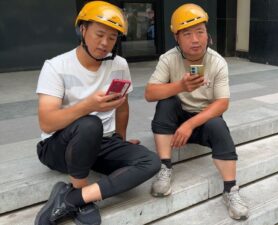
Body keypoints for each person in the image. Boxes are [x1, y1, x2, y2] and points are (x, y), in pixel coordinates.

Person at [34, 1, 160, 225]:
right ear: (82, 30)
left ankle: (74, 198)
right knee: (90, 123)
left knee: (150, 161)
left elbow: (122, 107)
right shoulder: (56, 66)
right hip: (58, 147)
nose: (105, 43)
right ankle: (81, 192)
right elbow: (46, 122)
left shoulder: (119, 64)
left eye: (112, 38)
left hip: (102, 143)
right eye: (99, 34)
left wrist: (120, 139)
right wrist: (88, 105)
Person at [144, 3, 249, 221]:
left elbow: (222, 103)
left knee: (218, 124)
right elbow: (150, 93)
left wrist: (190, 124)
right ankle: (165, 167)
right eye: (188, 34)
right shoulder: (168, 58)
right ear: (176, 37)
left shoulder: (217, 62)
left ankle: (230, 190)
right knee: (166, 103)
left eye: (200, 32)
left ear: (207, 34)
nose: (195, 40)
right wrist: (180, 87)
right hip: (176, 117)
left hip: (202, 120)